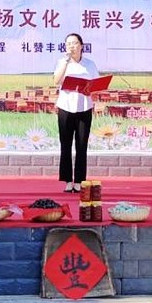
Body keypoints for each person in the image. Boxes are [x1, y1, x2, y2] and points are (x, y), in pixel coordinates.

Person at [53, 32, 99, 193]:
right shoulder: (62, 62)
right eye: (68, 44)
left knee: (81, 145)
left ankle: (79, 181)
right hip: (65, 107)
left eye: (74, 43)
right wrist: (66, 62)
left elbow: (95, 84)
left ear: (81, 46)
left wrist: (88, 88)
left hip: (84, 107)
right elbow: (56, 81)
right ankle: (67, 180)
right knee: (65, 145)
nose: (71, 46)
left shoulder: (89, 64)